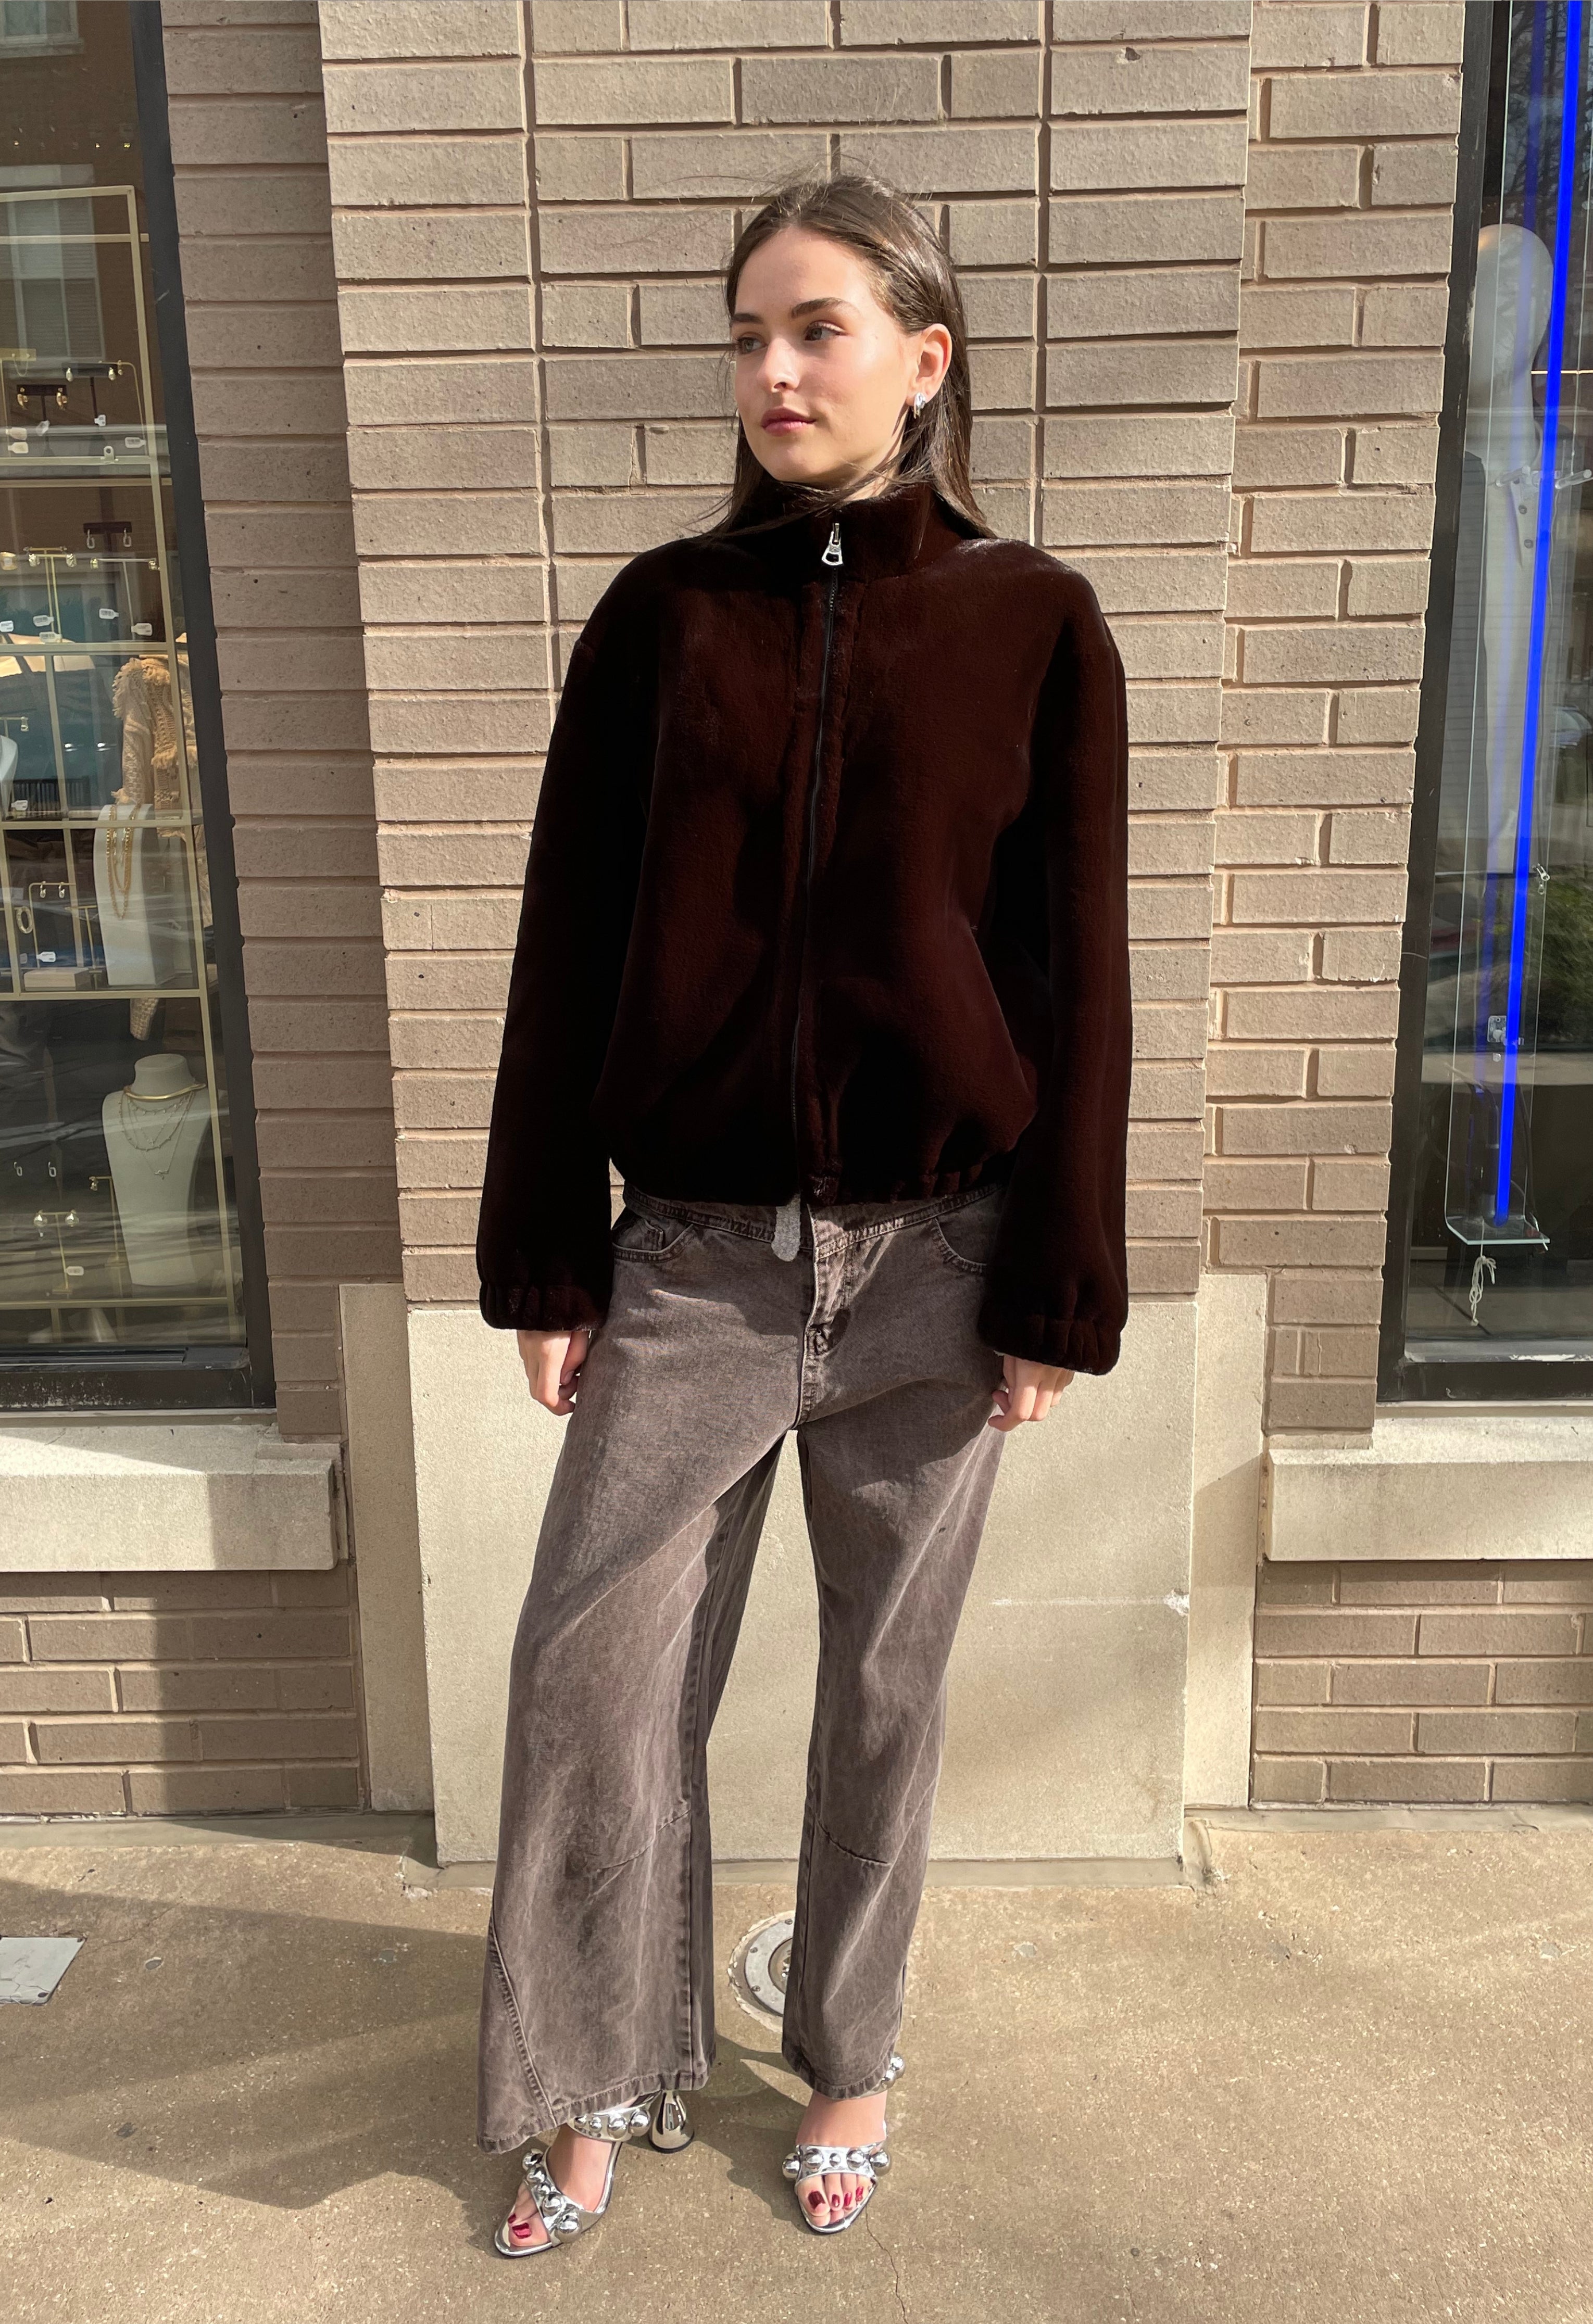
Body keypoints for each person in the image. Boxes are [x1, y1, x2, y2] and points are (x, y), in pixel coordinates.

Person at [473, 168, 1131, 2254]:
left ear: (923, 360)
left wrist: (1057, 1281)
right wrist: (547, 1244)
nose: (772, 368)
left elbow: (1080, 973)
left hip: (941, 1259)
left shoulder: (1035, 624)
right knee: (590, 1678)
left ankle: (848, 2058)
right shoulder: (663, 620)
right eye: (748, 333)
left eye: (817, 328)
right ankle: (592, 2073)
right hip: (693, 1257)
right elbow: (565, 941)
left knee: (884, 1692)